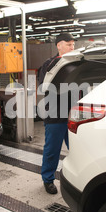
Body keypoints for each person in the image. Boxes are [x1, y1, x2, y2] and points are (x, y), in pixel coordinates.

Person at [38, 33, 76, 194]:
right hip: (55, 113)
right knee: (52, 149)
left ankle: (76, 177)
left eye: (73, 44)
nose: (72, 47)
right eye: (68, 44)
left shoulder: (77, 63)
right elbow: (43, 86)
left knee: (76, 149)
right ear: (59, 45)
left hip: (73, 113)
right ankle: (48, 179)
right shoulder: (49, 64)